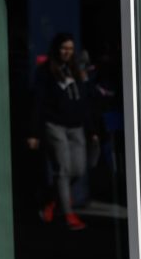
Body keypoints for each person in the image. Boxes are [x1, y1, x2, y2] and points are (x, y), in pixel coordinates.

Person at [28, 32, 95, 230]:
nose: (67, 52)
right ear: (57, 49)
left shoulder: (75, 70)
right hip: (55, 125)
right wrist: (34, 132)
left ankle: (51, 199)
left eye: (70, 49)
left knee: (79, 168)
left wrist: (92, 129)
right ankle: (68, 214)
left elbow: (84, 101)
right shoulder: (46, 71)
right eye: (64, 48)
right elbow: (38, 102)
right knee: (63, 169)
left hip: (76, 126)